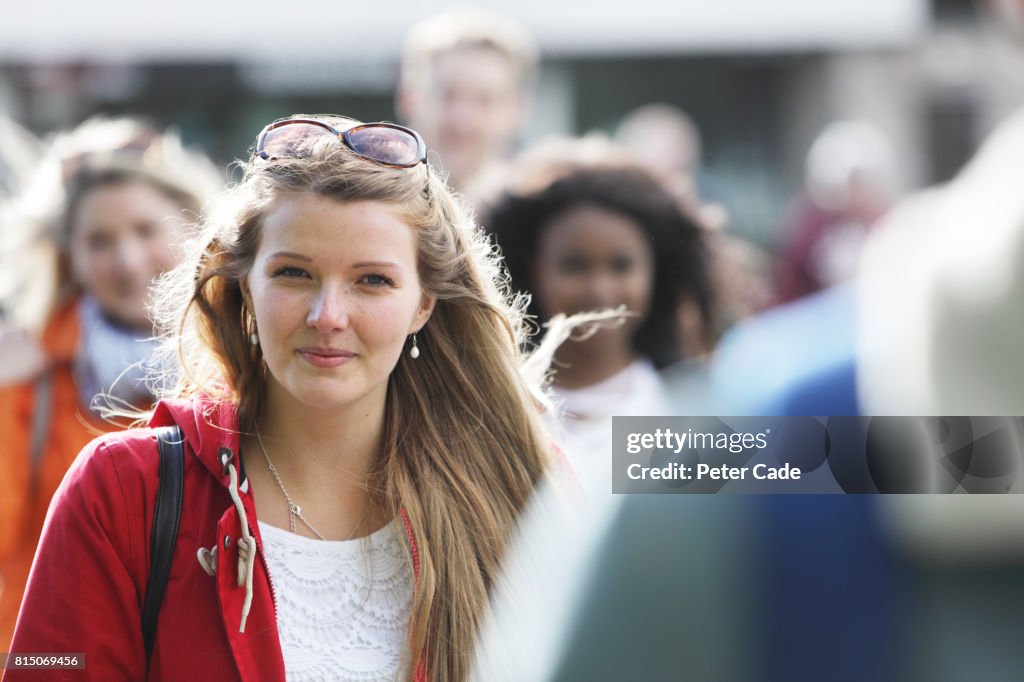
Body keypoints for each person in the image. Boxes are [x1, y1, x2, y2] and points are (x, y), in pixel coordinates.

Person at [5, 114, 560, 682]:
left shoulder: (517, 486)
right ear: (247, 284)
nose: (328, 317)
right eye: (294, 273)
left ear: (424, 303)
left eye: (373, 280)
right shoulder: (123, 489)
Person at [0, 116, 221, 649]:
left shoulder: (250, 371)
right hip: (52, 663)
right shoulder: (26, 379)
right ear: (69, 257)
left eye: (147, 230)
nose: (127, 260)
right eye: (99, 241)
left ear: (196, 229)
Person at [483, 137, 713, 498]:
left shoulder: (691, 410)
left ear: (655, 270)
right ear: (535, 268)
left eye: (621, 266)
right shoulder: (486, 413)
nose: (599, 291)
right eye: (574, 265)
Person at [397, 8, 538, 198]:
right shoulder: (369, 211)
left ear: (517, 110)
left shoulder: (544, 217)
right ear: (408, 99)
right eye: (448, 95)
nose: (463, 119)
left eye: (484, 100)